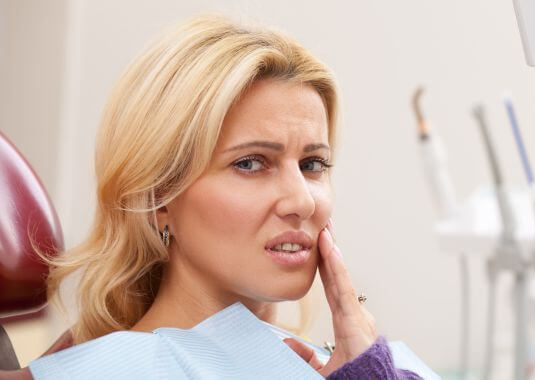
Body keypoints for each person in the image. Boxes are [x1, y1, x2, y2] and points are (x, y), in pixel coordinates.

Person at [2, 14, 422, 379]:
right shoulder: (120, 368)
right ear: (160, 198)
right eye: (251, 163)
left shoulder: (366, 361)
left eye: (312, 164)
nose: (302, 201)